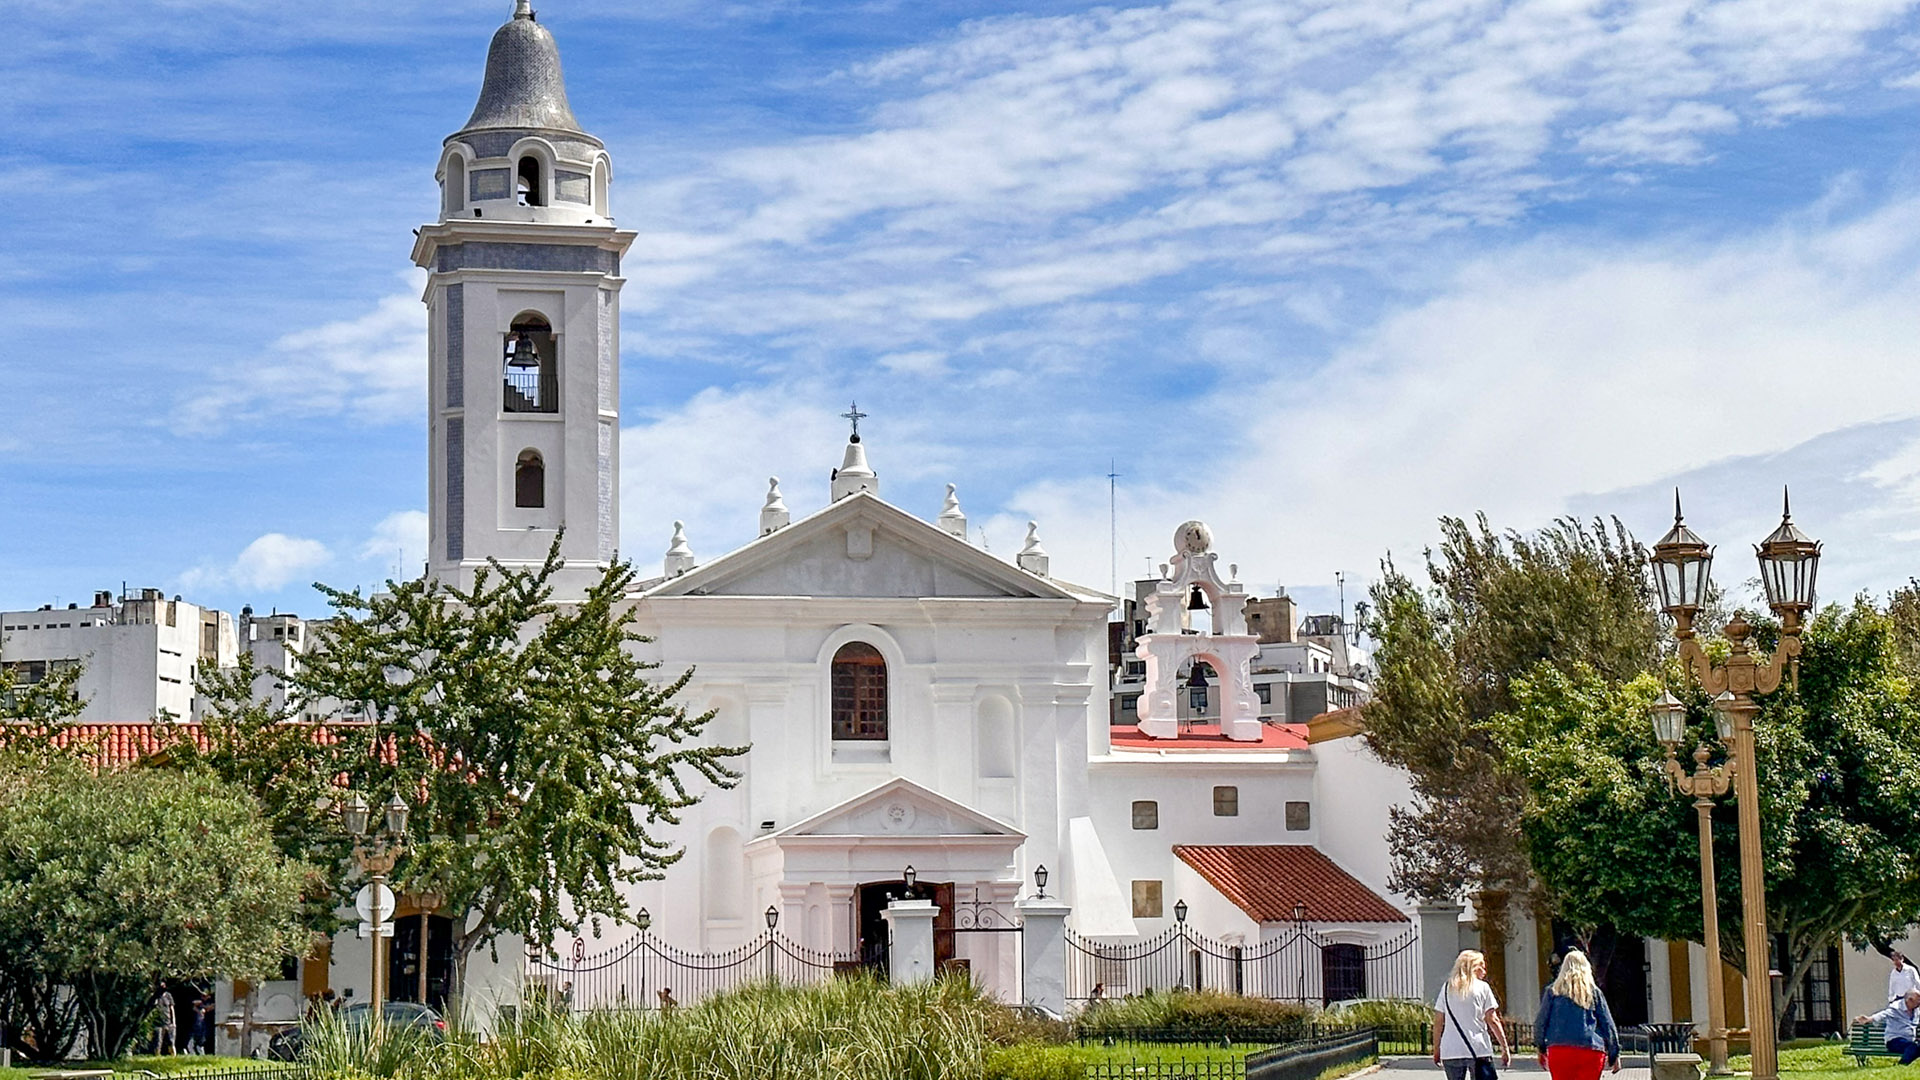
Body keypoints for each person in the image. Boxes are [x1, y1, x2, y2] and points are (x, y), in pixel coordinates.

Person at [1536, 949, 1620, 1080]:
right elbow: (1607, 1023)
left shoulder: (1552, 992)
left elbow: (1541, 1022)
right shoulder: (1594, 993)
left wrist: (1541, 1047)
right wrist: (1614, 1053)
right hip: (1591, 1049)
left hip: (1560, 1050)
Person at [1433, 949, 1512, 1080]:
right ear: (1475, 967)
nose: (1485, 972)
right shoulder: (1483, 988)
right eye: (1483, 967)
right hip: (1478, 1048)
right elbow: (1492, 1020)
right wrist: (1504, 1047)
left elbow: (1438, 1021)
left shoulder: (1447, 988)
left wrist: (1437, 1048)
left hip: (1451, 1049)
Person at [1856, 989, 1920, 1065]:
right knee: (1912, 1047)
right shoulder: (1896, 1007)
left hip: (1909, 1040)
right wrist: (1870, 1019)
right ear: (1909, 1000)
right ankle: (1901, 1065)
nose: (1919, 1003)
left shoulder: (1916, 1011)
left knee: (1914, 1047)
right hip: (1894, 1040)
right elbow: (1884, 1014)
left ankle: (1901, 1064)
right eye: (1918, 1001)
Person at [153, 986, 178, 1056]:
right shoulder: (155, 996)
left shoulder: (168, 996)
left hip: (168, 1022)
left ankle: (173, 1056)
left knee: (171, 1041)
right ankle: (157, 1055)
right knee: (158, 1041)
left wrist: (173, 1022)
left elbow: (172, 1009)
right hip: (158, 1023)